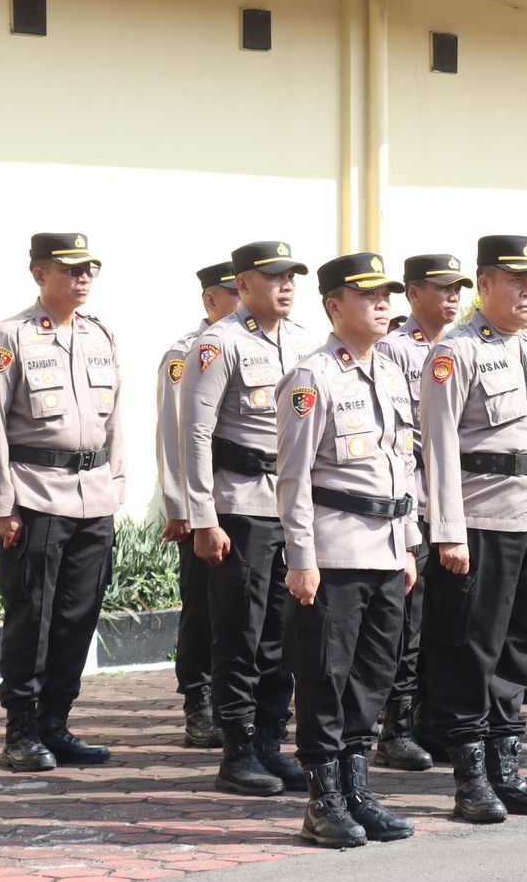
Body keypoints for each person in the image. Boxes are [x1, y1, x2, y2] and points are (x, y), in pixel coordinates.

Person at [419, 234, 527, 824]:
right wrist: (448, 532)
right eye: (516, 281)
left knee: (520, 649)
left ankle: (506, 771)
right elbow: (437, 447)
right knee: (472, 649)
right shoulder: (455, 352)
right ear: (484, 284)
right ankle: (470, 779)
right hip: (482, 521)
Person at [277, 253, 421, 849]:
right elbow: (293, 477)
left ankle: (357, 790)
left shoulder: (390, 371)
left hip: (386, 551)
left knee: (372, 677)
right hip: (334, 553)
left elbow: (403, 465)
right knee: (324, 677)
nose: (383, 304)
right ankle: (323, 801)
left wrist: (408, 544)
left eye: (387, 294)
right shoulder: (312, 377)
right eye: (368, 295)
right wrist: (301, 558)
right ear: (334, 305)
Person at [0, 232, 124, 772]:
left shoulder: (99, 334)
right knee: (32, 617)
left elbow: (115, 422)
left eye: (89, 269)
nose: (83, 278)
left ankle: (55, 723)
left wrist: (116, 486)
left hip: (93, 498)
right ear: (39, 274)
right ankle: (21, 730)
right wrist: (1, 505)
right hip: (36, 495)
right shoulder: (9, 337)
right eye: (70, 269)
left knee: (78, 617)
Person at [182, 240, 320, 795]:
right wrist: (202, 517)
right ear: (242, 285)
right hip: (240, 505)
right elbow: (195, 434)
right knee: (240, 630)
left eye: (291, 277)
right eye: (274, 277)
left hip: (292, 508)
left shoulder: (306, 342)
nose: (286, 286)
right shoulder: (219, 344)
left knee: (282, 634)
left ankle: (268, 742)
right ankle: (236, 752)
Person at [371, 253, 473, 771]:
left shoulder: (465, 346)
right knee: (408, 624)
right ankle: (397, 727)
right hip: (415, 497)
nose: (453, 297)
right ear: (413, 294)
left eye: (458, 289)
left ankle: (434, 717)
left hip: (455, 502)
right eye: (441, 288)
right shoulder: (394, 348)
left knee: (446, 619)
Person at [155, 260, 239, 750]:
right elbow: (175, 432)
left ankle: (240, 701)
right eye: (235, 293)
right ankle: (199, 701)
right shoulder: (186, 352)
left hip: (253, 498)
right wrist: (180, 506)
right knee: (202, 607)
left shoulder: (270, 344)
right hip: (203, 502)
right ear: (211, 300)